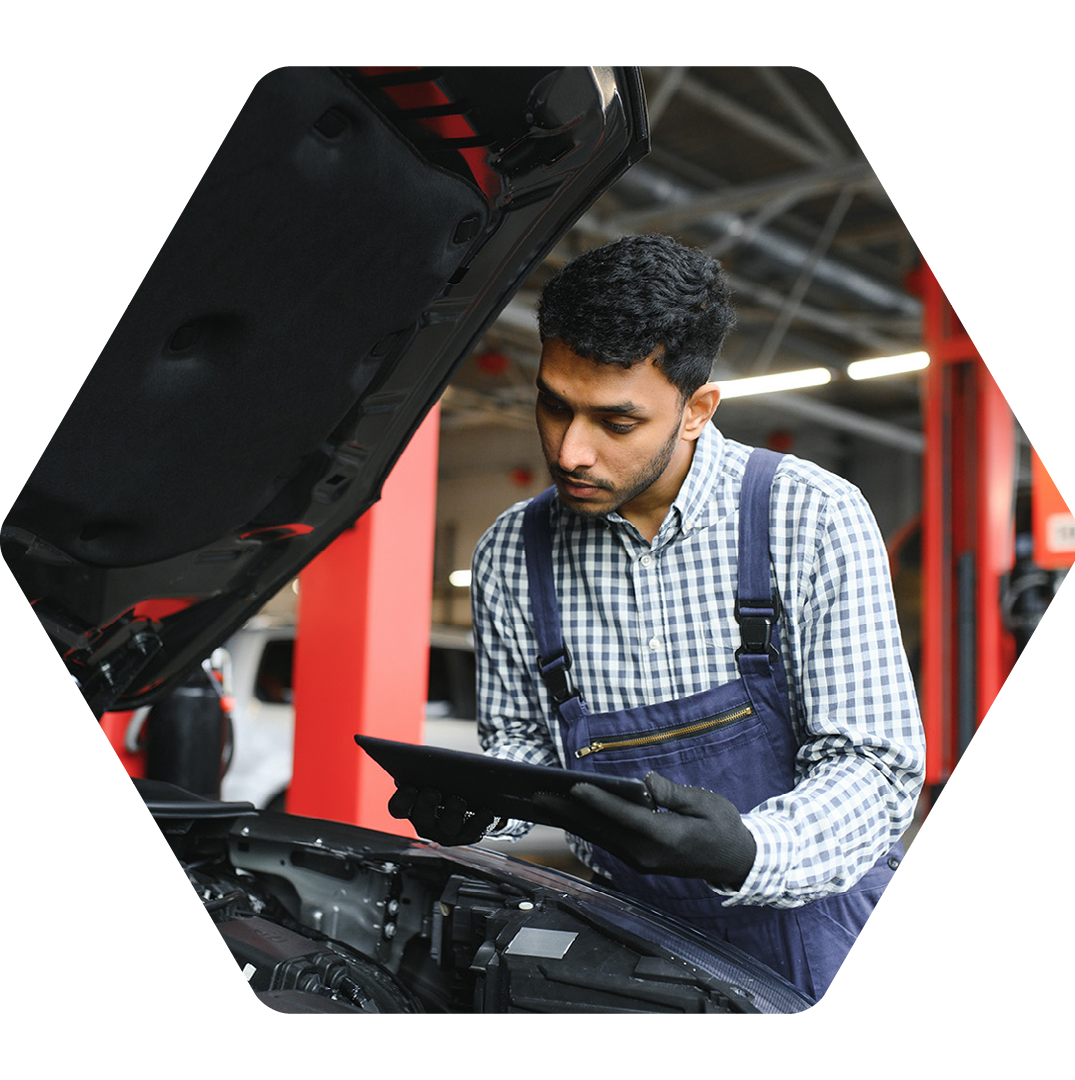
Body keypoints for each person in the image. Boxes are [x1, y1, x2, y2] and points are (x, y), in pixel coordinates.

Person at [390, 233, 925, 1001]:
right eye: (554, 405)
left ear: (697, 409)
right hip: (631, 940)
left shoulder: (807, 515)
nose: (571, 450)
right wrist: (484, 813)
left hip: (825, 932)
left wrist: (746, 850)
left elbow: (875, 765)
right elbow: (524, 746)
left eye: (615, 422)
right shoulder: (513, 551)